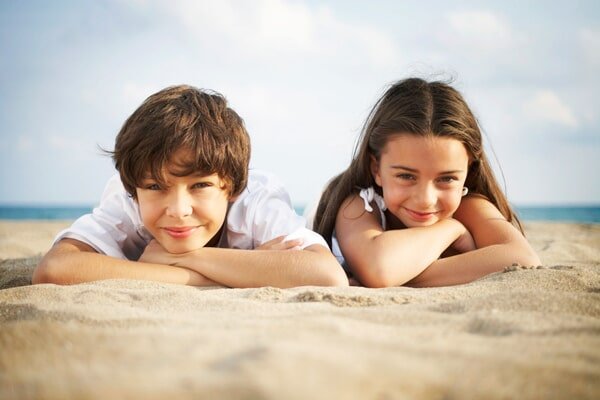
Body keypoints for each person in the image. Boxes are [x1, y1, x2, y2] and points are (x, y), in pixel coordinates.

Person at [33, 85, 348, 288]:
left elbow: (328, 275)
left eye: (200, 185)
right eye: (156, 186)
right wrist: (227, 275)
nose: (179, 210)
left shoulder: (257, 200)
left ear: (233, 187)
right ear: (134, 190)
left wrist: (184, 257)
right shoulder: (126, 200)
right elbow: (56, 269)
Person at [312, 77, 540, 288]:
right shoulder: (359, 204)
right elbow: (380, 269)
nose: (425, 199)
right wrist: (451, 228)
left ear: (468, 173)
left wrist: (404, 275)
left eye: (447, 178)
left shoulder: (467, 205)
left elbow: (523, 258)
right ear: (376, 169)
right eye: (406, 176)